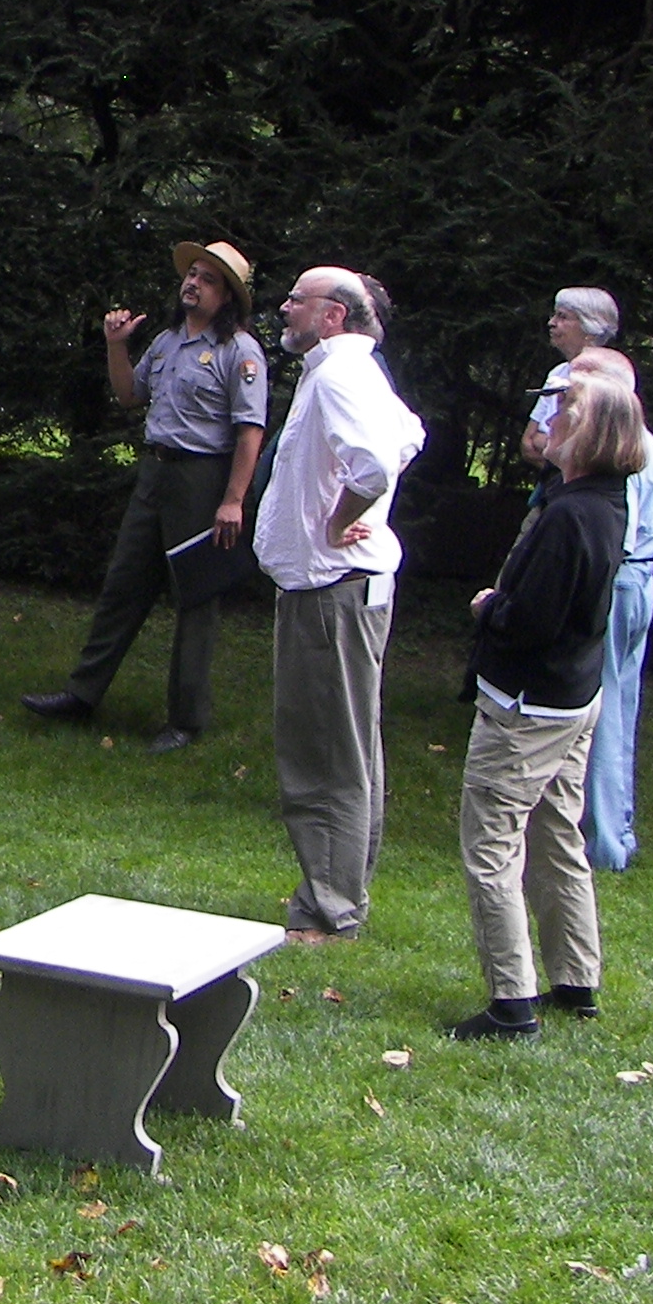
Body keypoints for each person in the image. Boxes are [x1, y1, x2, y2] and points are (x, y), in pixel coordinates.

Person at [450, 373, 646, 1039]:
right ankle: (575, 979)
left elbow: (531, 621)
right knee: (559, 833)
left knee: (491, 844)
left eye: (565, 413)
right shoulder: (606, 502)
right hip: (574, 698)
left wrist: (488, 607)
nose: (549, 422)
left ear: (590, 435)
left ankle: (511, 1002)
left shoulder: (568, 516)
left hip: (528, 708)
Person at [18, 241, 270, 751]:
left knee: (196, 597)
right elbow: (129, 395)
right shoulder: (166, 342)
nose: (193, 283)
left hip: (202, 481)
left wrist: (232, 500)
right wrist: (116, 345)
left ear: (227, 297)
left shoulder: (240, 352)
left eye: (208, 279)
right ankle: (82, 695)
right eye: (192, 274)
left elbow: (250, 430)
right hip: (155, 474)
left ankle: (185, 720)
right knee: (123, 583)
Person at [253, 267, 425, 943]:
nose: (285, 307)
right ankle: (341, 893)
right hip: (341, 589)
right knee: (348, 750)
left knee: (323, 754)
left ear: (334, 315)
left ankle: (329, 912)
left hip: (331, 593)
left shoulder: (340, 376)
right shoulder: (349, 370)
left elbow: (377, 462)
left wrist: (343, 517)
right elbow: (410, 435)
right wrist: (362, 511)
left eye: (298, 299)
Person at [559, 346, 653, 871]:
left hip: (620, 581)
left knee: (601, 710)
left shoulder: (626, 456)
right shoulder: (643, 445)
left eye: (574, 393)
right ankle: (614, 831)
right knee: (619, 704)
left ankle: (603, 842)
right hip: (637, 580)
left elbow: (613, 538)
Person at [527, 287, 620, 460]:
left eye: (562, 317)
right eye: (554, 315)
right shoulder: (558, 373)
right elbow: (528, 444)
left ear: (590, 330)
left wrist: (545, 443)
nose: (551, 322)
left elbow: (586, 453)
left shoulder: (606, 381)